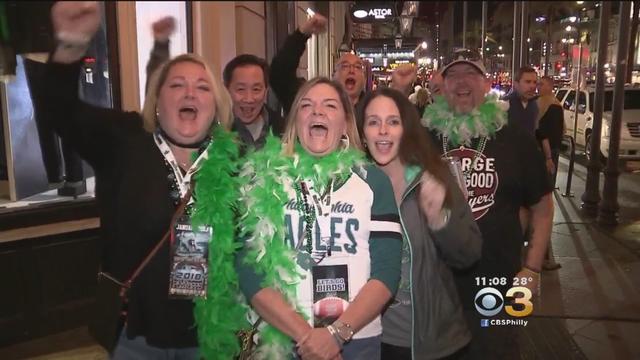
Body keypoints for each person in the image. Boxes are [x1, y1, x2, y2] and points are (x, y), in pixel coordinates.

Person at [43, 3, 245, 358]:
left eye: (202, 87)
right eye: (177, 85)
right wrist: (72, 41)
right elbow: (58, 108)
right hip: (135, 336)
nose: (189, 94)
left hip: (210, 337)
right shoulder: (123, 141)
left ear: (216, 105)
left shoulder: (237, 161)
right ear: (157, 101)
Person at [234, 77, 403, 359]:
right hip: (284, 340)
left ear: (345, 121)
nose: (317, 112)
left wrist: (336, 335)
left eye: (330, 105)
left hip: (357, 340)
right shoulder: (266, 179)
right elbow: (249, 271)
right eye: (306, 105)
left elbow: (387, 272)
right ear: (295, 120)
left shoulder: (373, 181)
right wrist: (307, 336)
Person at [421, 49, 554, 359]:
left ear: (486, 83)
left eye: (471, 74)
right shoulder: (425, 136)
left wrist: (532, 268)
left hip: (497, 281)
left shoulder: (516, 139)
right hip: (436, 282)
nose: (462, 82)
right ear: (442, 85)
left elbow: (543, 207)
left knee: (499, 352)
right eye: (453, 74)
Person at [356, 88, 482, 360]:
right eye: (373, 122)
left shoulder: (435, 179)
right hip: (368, 341)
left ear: (406, 130)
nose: (383, 131)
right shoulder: (352, 186)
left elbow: (469, 254)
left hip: (432, 344)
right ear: (362, 133)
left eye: (393, 122)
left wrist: (440, 220)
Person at [147, 18, 285, 152]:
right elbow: (158, 100)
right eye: (240, 89)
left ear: (266, 91)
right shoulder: (206, 127)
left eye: (256, 89)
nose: (249, 98)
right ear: (225, 90)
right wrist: (160, 47)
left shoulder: (285, 130)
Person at [269, 12, 415, 116]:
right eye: (344, 66)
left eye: (358, 67)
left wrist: (400, 90)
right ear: (333, 75)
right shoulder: (311, 102)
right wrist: (302, 34)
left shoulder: (373, 109)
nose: (351, 70)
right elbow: (279, 74)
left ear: (364, 79)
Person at [536, 76, 564, 271]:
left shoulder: (543, 106)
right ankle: (544, 256)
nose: (537, 87)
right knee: (545, 203)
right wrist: (549, 157)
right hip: (546, 156)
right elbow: (550, 136)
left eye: (540, 84)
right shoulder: (552, 106)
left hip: (539, 155)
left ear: (550, 87)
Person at [502, 66, 539, 137]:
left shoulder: (534, 105)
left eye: (534, 82)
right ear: (516, 84)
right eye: (528, 82)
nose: (532, 86)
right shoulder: (504, 104)